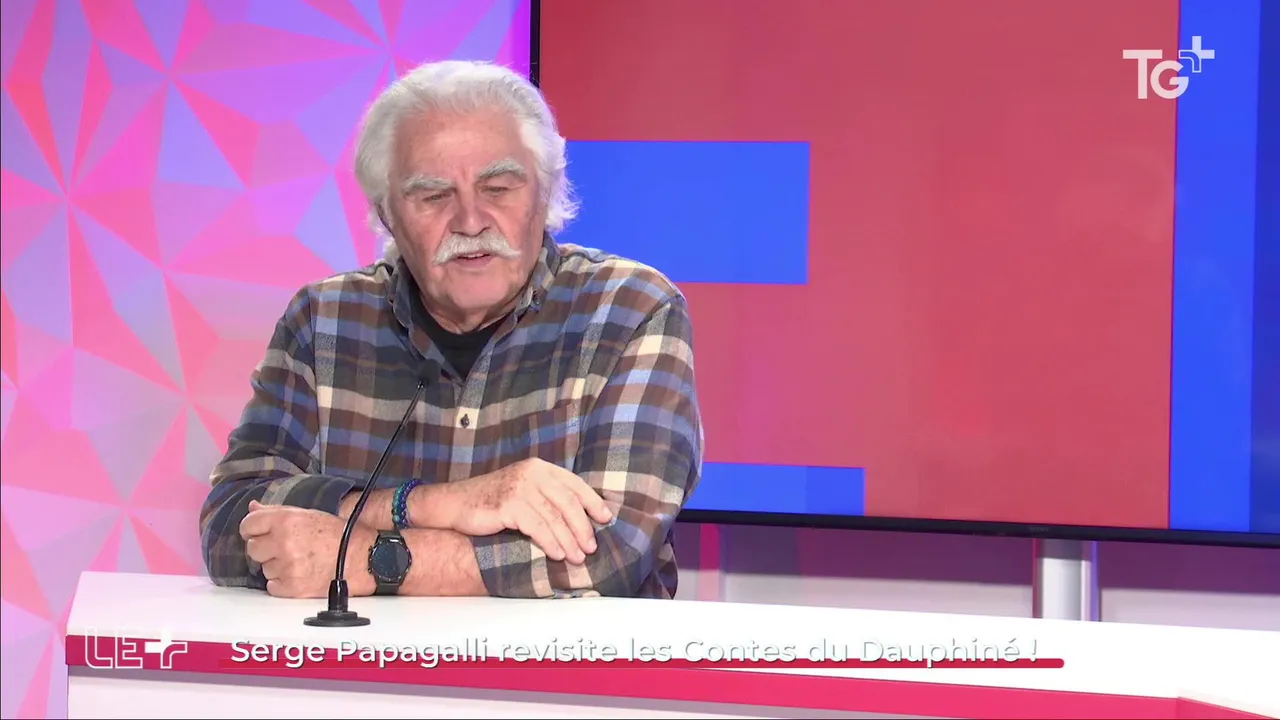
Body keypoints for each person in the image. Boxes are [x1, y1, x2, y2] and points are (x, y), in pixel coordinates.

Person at [198, 60, 704, 600]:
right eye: (434, 196)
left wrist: (369, 559)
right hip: (362, 659)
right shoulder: (324, 320)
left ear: (546, 194)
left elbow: (613, 553)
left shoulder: (629, 310)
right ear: (387, 216)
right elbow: (229, 525)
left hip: (563, 660)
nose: (470, 221)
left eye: (498, 188)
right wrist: (433, 503)